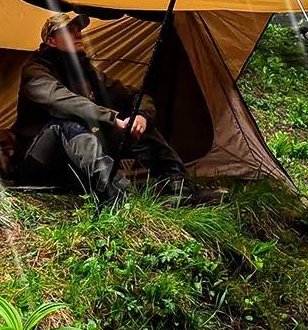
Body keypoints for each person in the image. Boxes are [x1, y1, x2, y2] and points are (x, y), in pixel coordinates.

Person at [11, 11, 187, 203]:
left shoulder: (87, 73)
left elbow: (135, 95)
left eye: (78, 29)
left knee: (136, 124)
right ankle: (117, 196)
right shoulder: (35, 71)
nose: (78, 34)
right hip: (38, 162)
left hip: (74, 159)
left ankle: (178, 187)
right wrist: (110, 118)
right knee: (67, 124)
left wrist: (142, 115)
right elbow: (62, 102)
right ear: (52, 41)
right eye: (69, 30)